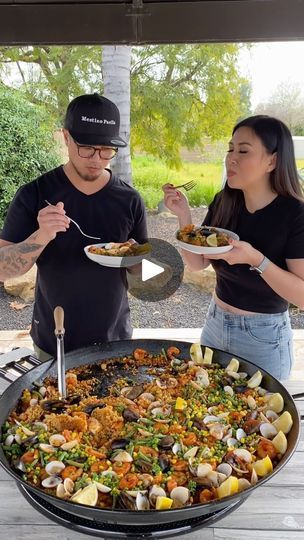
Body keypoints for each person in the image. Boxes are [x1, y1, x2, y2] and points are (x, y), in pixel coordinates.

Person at [0, 93, 147, 359]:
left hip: (115, 342)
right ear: (66, 138)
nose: (96, 159)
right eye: (87, 148)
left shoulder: (130, 200)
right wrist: (41, 235)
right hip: (53, 342)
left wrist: (136, 260)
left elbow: (145, 274)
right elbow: (1, 269)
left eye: (106, 150)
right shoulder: (34, 194)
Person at [163, 115, 304, 380]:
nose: (231, 158)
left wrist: (256, 259)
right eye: (230, 149)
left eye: (243, 150)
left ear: (272, 161)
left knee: (259, 418)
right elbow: (197, 263)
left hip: (263, 337)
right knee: (205, 415)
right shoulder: (225, 201)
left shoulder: (294, 214)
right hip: (215, 323)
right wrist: (184, 218)